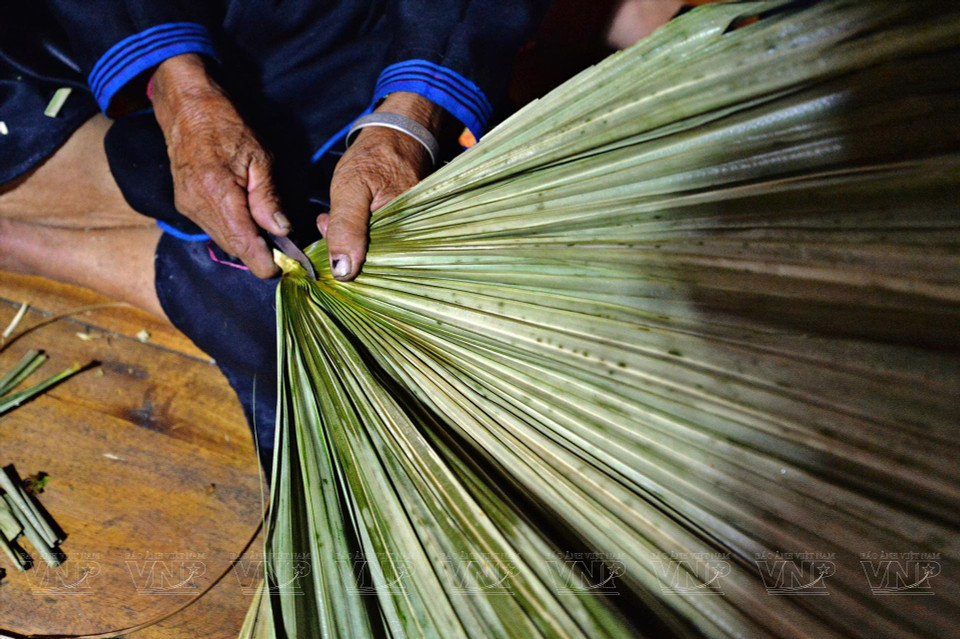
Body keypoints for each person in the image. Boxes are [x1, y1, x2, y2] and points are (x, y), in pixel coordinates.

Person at [0, 1, 548, 469]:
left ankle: (40, 248)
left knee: (332, 334)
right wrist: (178, 86)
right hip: (88, 32)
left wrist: (409, 120)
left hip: (354, 42)